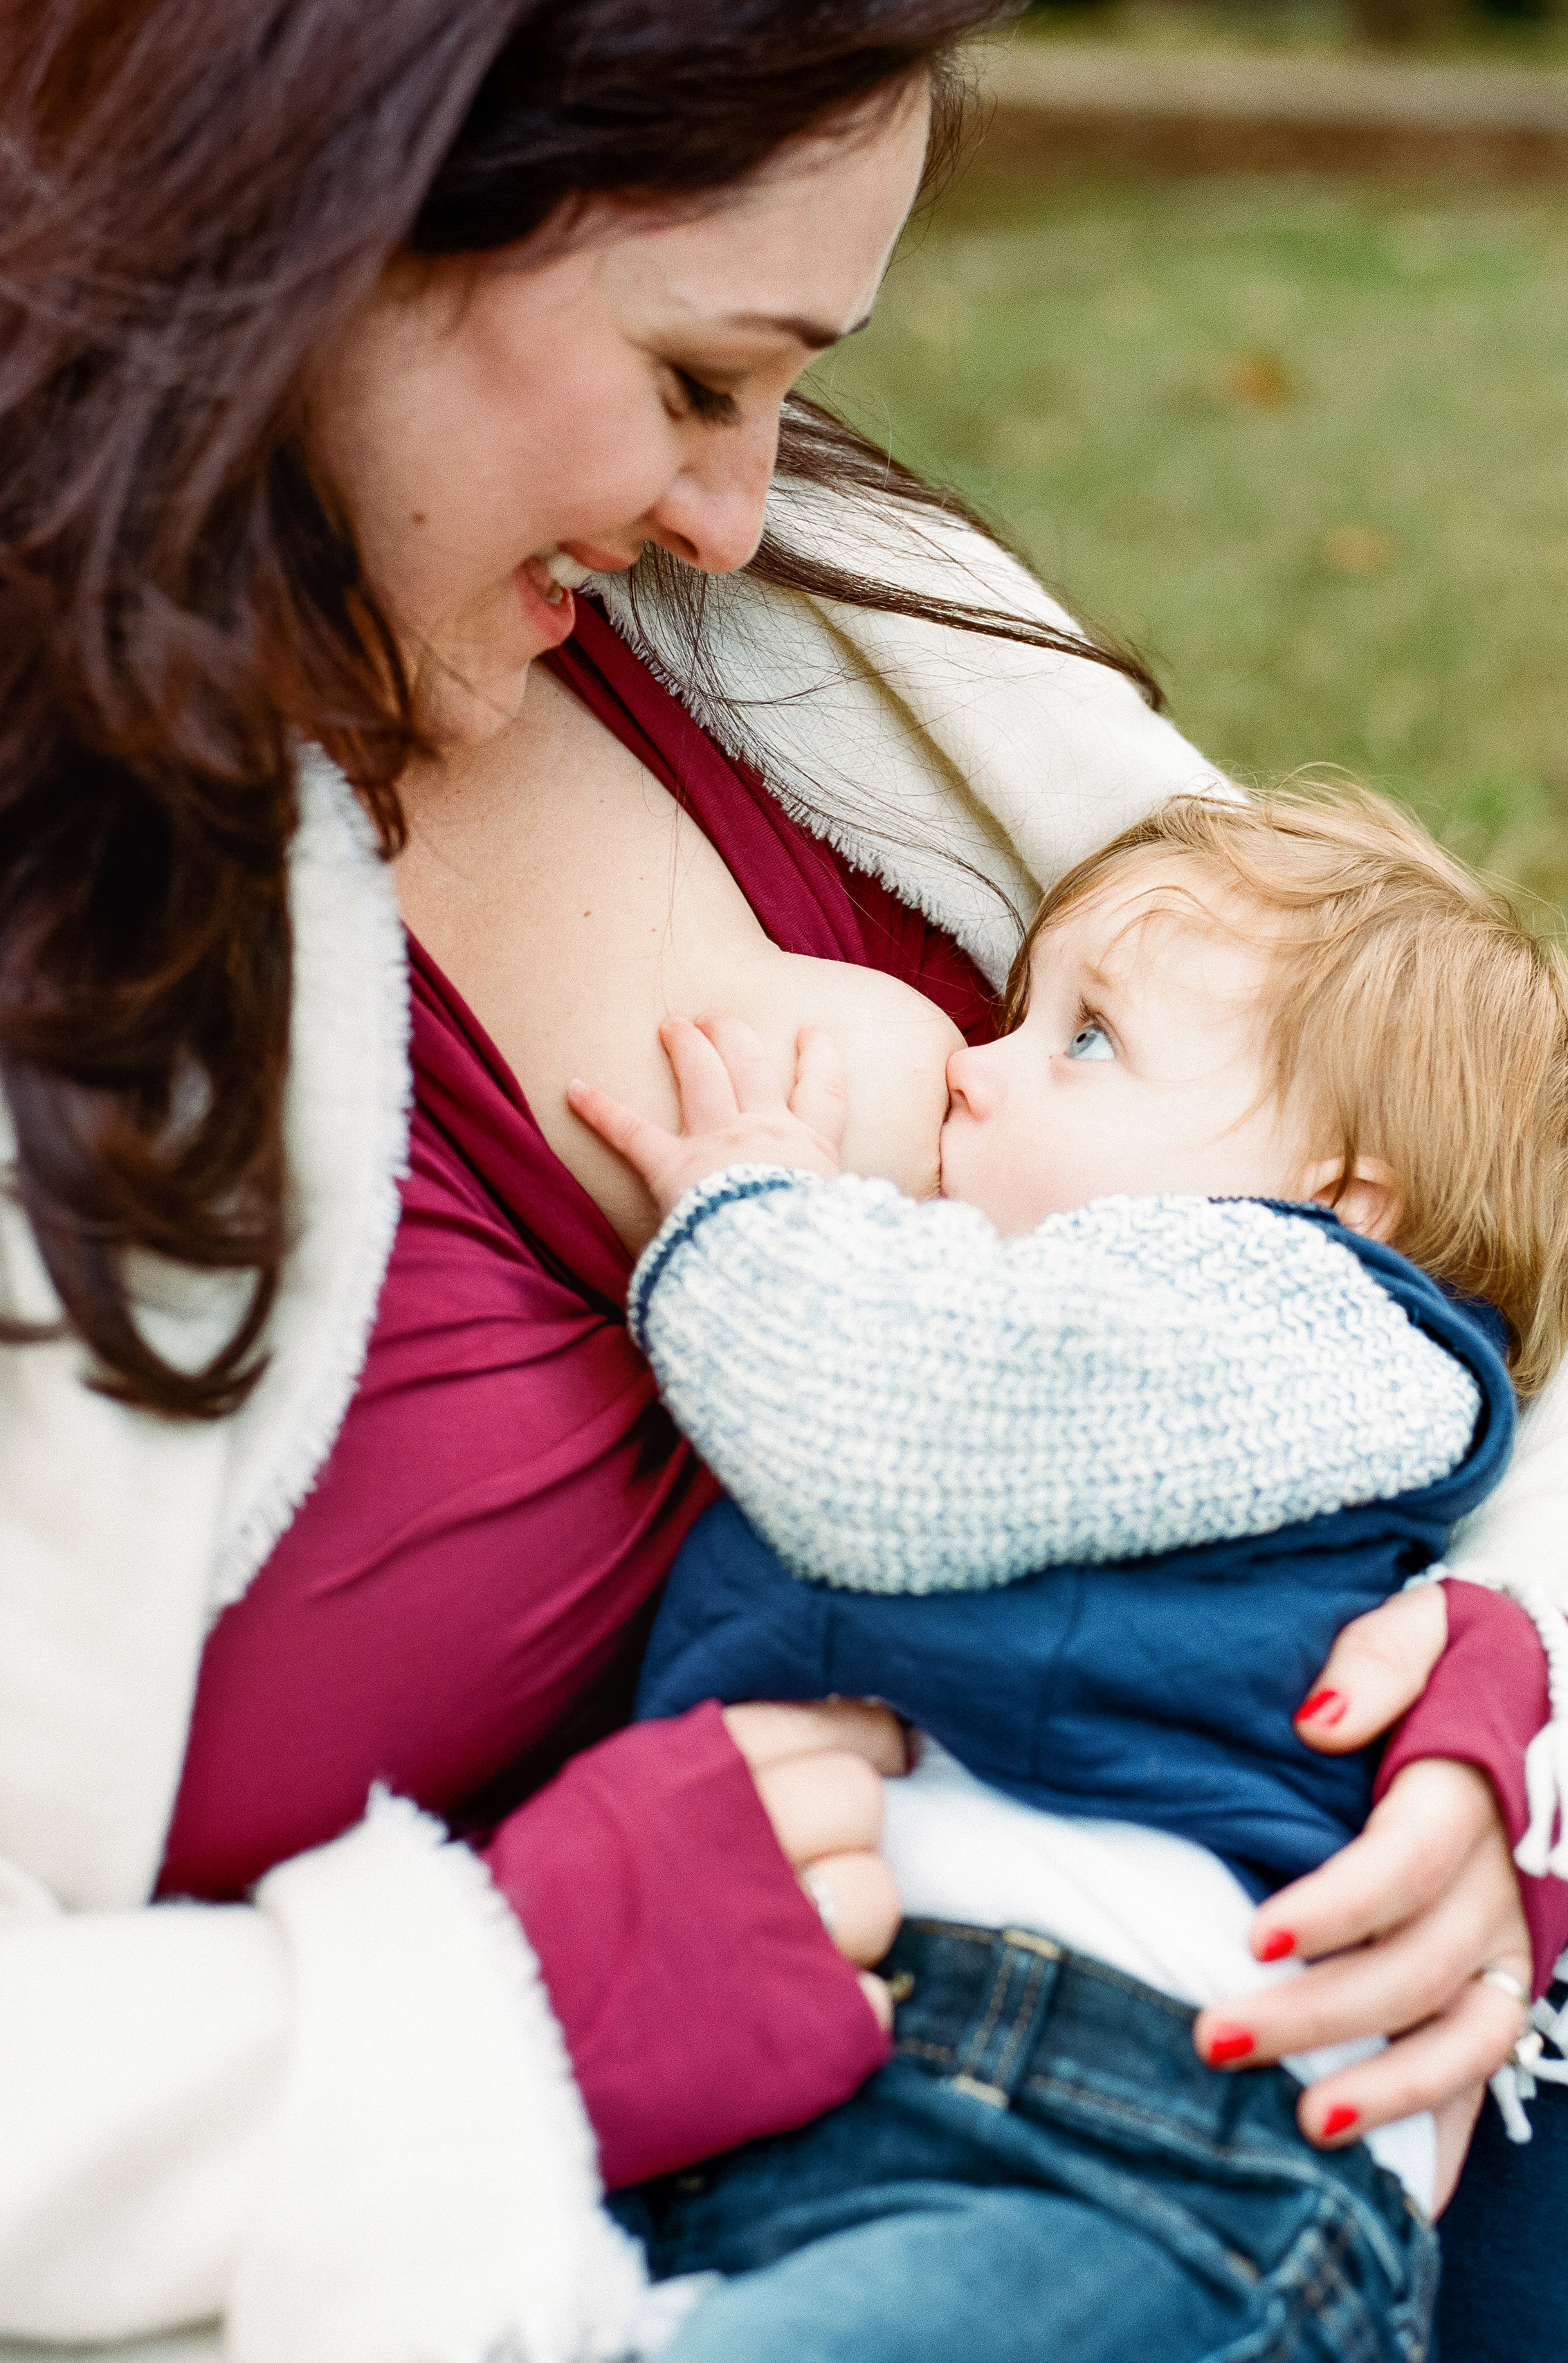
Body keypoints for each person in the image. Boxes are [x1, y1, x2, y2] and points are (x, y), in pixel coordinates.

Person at [0, 3, 1563, 2357]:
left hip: (1295, 2079)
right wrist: (477, 2016)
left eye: (784, 380)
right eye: (692, 375)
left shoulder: (778, 619)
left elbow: (1414, 1172)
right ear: (336, 211)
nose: (739, 501)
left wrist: (1490, 1696)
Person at [566, 788, 1567, 2357]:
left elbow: (868, 1432)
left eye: (1082, 1037)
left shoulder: (1314, 1319)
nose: (974, 1067)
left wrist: (745, 1208)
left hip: (1137, 2128)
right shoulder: (1153, 1352)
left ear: (1337, 1195)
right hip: (871, 2087)